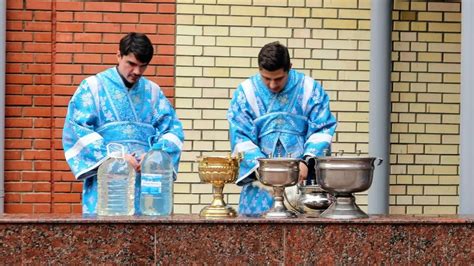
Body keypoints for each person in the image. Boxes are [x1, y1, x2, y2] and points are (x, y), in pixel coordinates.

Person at [62, 32, 184, 215]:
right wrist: (115, 156)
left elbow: (173, 130)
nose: (136, 72)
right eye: (131, 64)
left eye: (142, 66)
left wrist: (153, 155)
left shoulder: (153, 92)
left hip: (146, 183)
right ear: (119, 56)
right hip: (109, 180)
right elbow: (76, 128)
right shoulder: (93, 87)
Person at [227, 41, 337, 217]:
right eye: (266, 78)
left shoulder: (310, 89)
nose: (272, 85)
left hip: (304, 180)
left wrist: (306, 162)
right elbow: (240, 135)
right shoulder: (245, 93)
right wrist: (264, 170)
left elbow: (322, 129)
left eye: (278, 79)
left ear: (290, 68)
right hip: (261, 183)